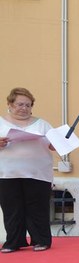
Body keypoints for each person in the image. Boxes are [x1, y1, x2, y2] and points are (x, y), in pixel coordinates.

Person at [0, 87, 55, 253]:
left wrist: (56, 144)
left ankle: (41, 240)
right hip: (7, 173)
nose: (24, 108)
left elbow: (55, 144)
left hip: (38, 173)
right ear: (10, 104)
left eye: (28, 105)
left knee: (37, 208)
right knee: (11, 208)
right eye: (20, 104)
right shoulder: (1, 122)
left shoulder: (42, 124)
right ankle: (14, 241)